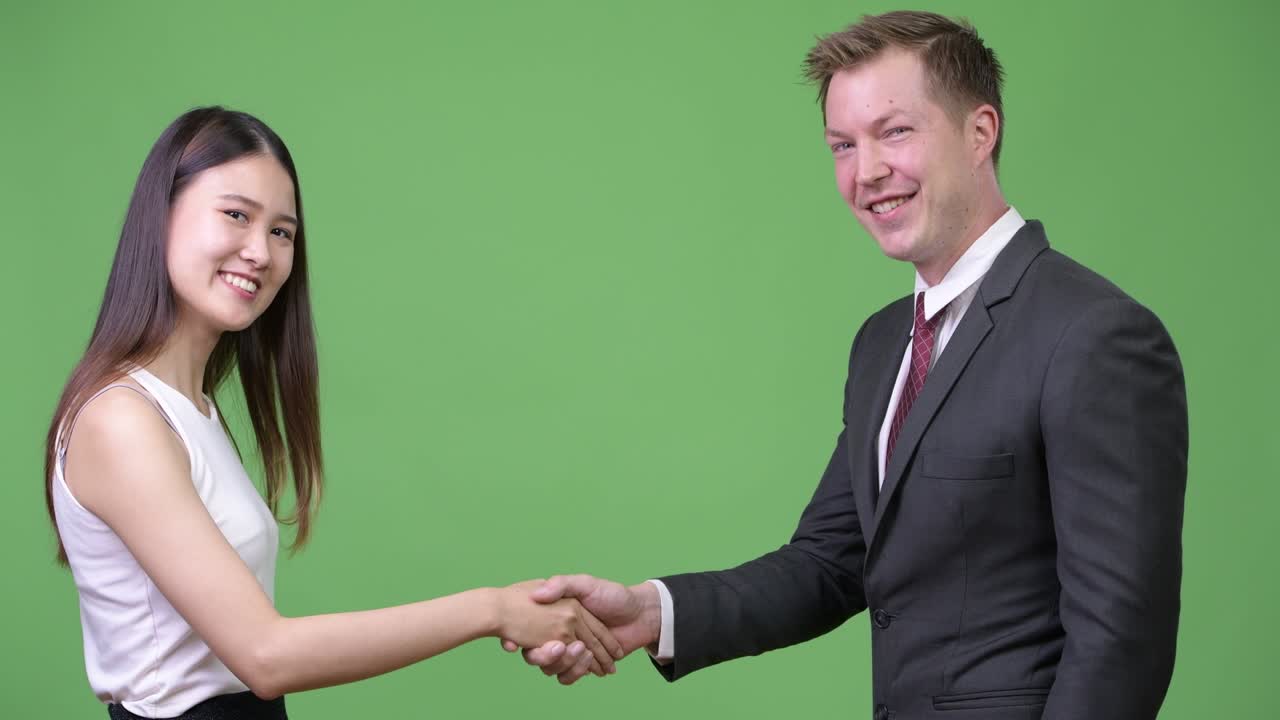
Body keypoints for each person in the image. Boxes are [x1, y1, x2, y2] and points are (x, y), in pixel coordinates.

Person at [510, 11, 1188, 719]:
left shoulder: (1094, 334)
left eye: (895, 132)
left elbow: (1121, 639)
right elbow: (830, 564)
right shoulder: (883, 342)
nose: (867, 172)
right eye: (842, 144)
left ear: (980, 132)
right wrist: (651, 612)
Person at [44, 106, 622, 720]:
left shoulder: (192, 411)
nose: (261, 252)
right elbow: (265, 656)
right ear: (161, 216)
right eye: (236, 215)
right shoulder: (121, 421)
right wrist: (491, 610)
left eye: (282, 232)